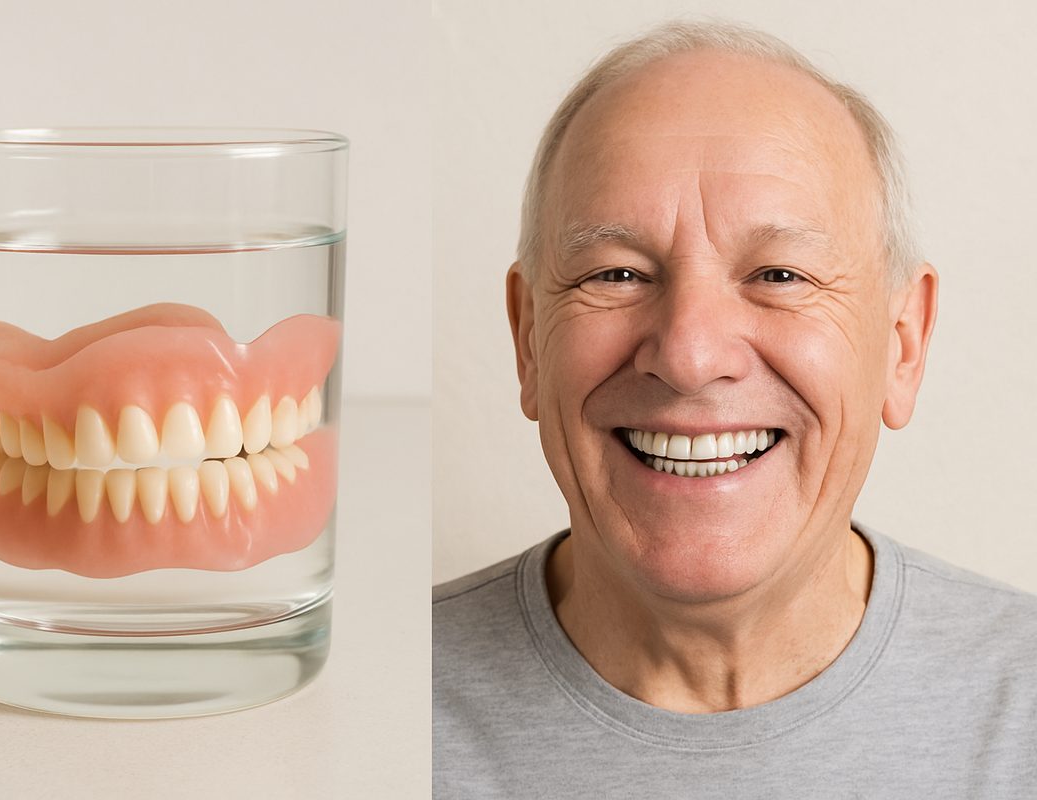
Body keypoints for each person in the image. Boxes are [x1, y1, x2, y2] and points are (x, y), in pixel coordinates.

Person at [433, 21, 1037, 797]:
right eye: (616, 275)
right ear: (528, 340)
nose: (689, 355)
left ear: (902, 344)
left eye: (780, 274)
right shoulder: (387, 710)